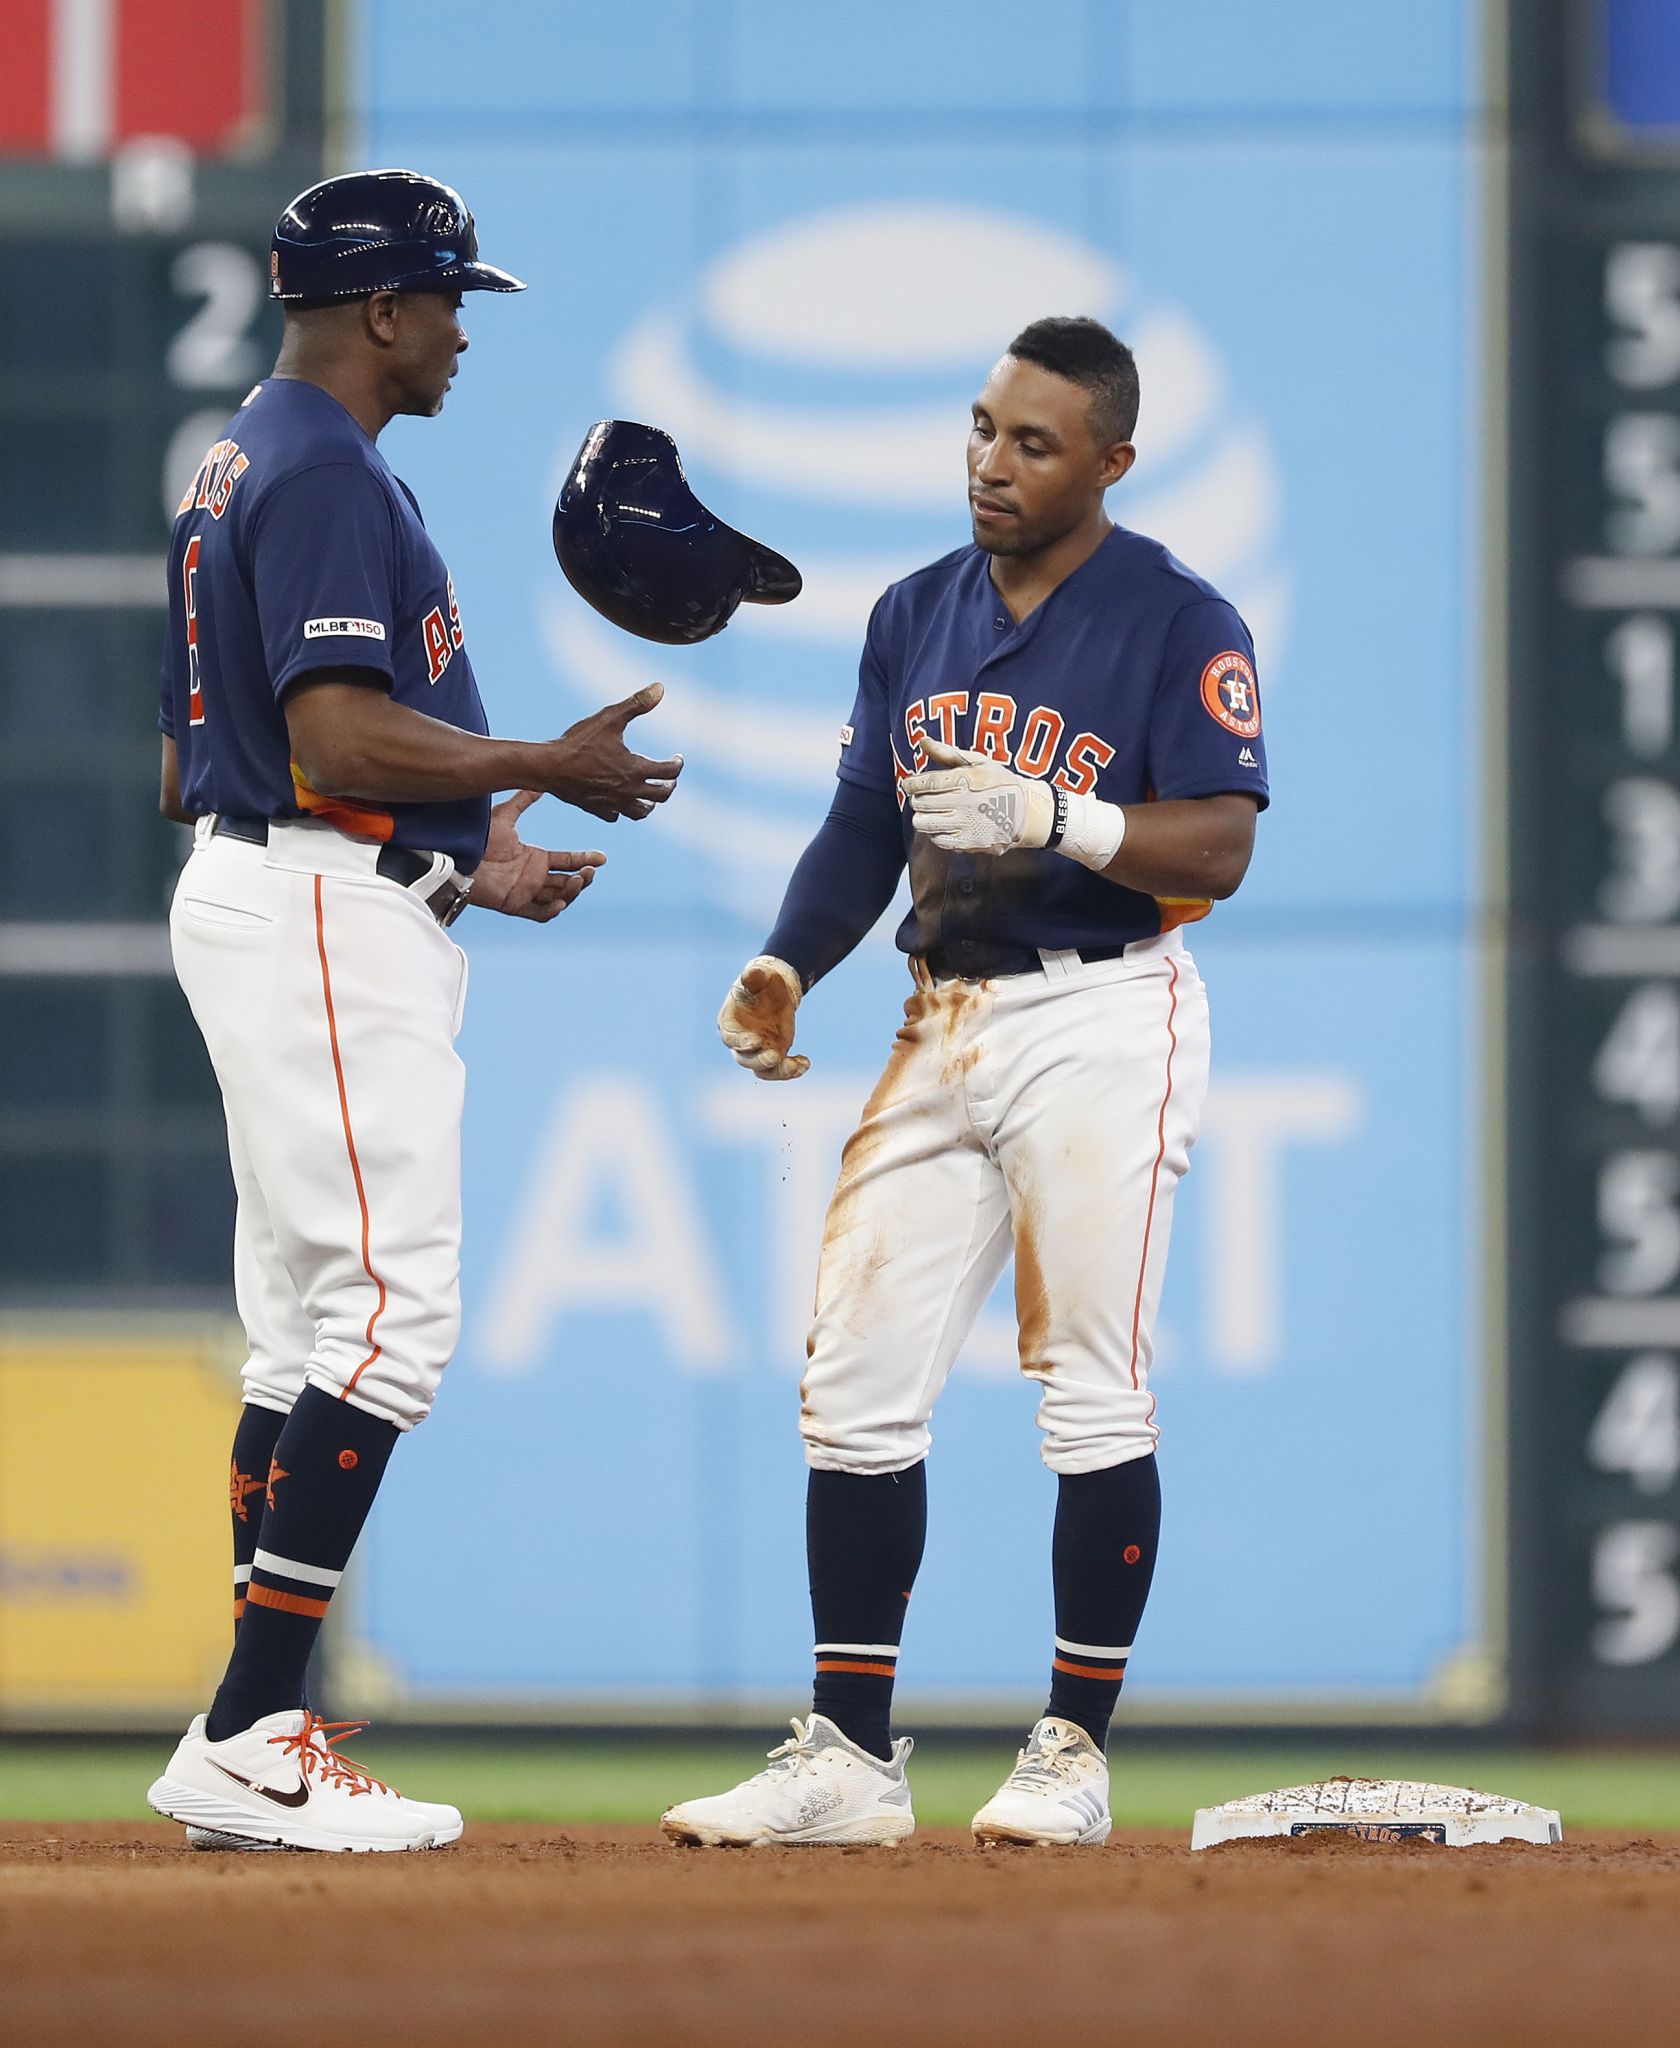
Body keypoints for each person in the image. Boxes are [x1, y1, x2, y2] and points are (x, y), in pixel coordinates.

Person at [661, 317, 1267, 1849]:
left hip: (1101, 1012)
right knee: (853, 1384)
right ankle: (849, 1760)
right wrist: (790, 962)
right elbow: (865, 827)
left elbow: (1221, 846)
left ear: (1113, 462)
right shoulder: (915, 611)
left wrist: (1064, 816)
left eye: (1036, 443)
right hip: (942, 1014)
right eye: (985, 429)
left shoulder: (1178, 620)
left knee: (1087, 1385)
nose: (995, 464)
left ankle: (1071, 1749)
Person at [145, 169, 682, 1853]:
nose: (460, 329)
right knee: (390, 1322)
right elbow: (334, 742)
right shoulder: (315, 469)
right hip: (308, 908)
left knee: (309, 1331)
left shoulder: (241, 454)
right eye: (450, 299)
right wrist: (541, 764)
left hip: (285, 892)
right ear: (381, 310)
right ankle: (251, 1729)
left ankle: (251, 1723)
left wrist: (459, 861)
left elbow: (200, 765)